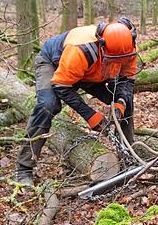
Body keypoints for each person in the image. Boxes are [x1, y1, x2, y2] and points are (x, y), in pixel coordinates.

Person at [15, 18, 139, 185]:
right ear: (103, 47)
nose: (119, 64)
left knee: (127, 102)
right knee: (48, 105)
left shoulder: (127, 48)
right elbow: (61, 86)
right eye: (114, 60)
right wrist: (90, 115)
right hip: (54, 64)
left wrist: (121, 102)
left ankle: (127, 154)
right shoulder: (81, 49)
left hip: (93, 72)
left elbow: (127, 80)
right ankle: (24, 168)